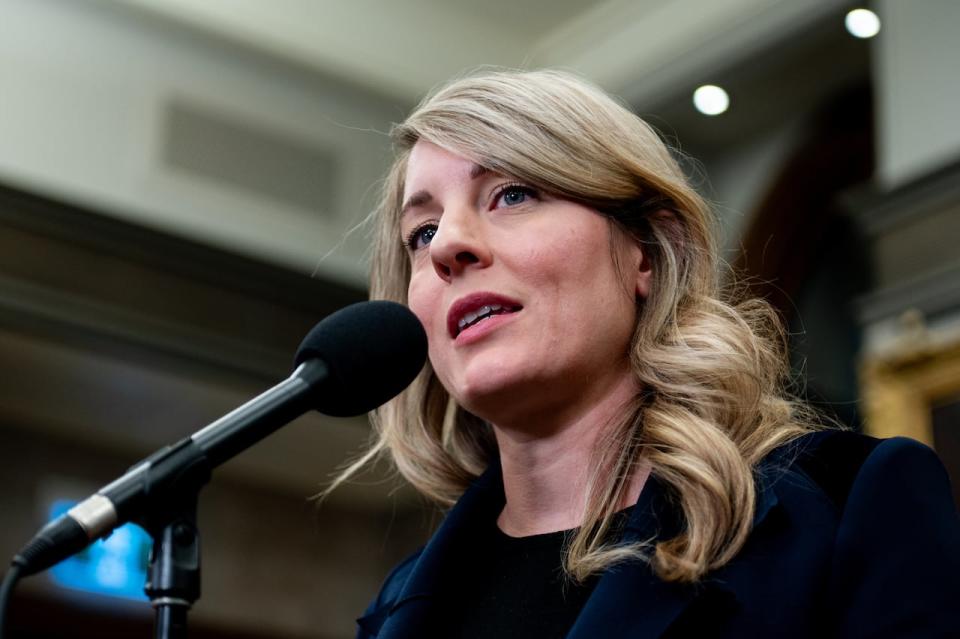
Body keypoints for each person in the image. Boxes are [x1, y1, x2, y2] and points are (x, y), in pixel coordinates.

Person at [336, 69, 960, 638]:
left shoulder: (847, 506)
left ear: (648, 252)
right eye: (421, 232)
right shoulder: (396, 607)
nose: (448, 245)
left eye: (513, 194)